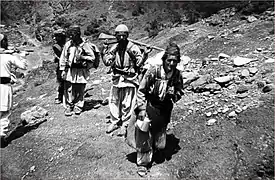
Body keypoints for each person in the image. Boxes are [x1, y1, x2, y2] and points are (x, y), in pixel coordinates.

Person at [134, 42, 184, 176]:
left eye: (175, 60)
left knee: (160, 142)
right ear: (164, 59)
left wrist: (173, 94)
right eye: (169, 60)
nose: (172, 63)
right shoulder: (153, 71)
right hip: (151, 106)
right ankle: (143, 163)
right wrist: (142, 109)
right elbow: (141, 90)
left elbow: (180, 91)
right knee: (145, 134)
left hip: (165, 110)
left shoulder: (177, 75)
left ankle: (155, 150)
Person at [102, 24, 144, 136]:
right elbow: (107, 62)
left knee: (128, 103)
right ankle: (114, 121)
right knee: (114, 101)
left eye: (123, 36)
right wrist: (104, 50)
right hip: (117, 78)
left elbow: (139, 62)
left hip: (129, 79)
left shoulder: (132, 47)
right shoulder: (114, 48)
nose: (121, 38)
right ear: (116, 36)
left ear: (127, 35)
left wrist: (144, 55)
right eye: (119, 36)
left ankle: (125, 124)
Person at [59, 25, 98, 116]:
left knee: (80, 88)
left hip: (81, 70)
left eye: (73, 35)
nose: (71, 37)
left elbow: (92, 57)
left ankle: (79, 105)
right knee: (69, 87)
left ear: (77, 34)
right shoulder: (68, 44)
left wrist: (82, 57)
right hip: (70, 69)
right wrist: (63, 70)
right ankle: (70, 105)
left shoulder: (85, 45)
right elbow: (63, 57)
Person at [0, 34, 28, 137]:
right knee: (4, 113)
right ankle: (1, 135)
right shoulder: (8, 57)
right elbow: (23, 66)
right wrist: (23, 56)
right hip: (3, 87)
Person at [52, 28, 66, 104]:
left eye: (56, 36)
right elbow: (61, 57)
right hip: (62, 66)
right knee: (61, 81)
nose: (54, 38)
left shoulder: (66, 45)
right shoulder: (56, 46)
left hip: (66, 64)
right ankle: (59, 96)